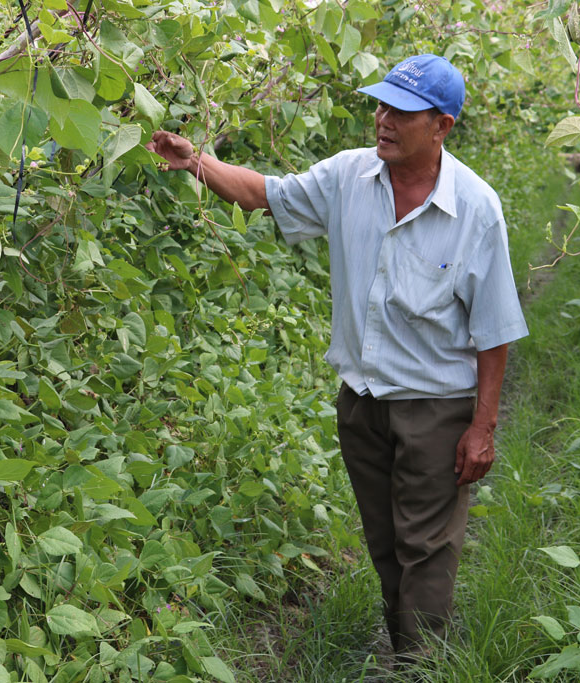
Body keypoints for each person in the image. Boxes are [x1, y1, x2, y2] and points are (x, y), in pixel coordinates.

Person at [147, 54, 528, 661]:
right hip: (364, 403)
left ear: (442, 126)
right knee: (385, 542)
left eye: (402, 112)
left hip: (436, 406)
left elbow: (495, 328)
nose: (383, 120)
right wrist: (196, 161)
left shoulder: (476, 209)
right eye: (381, 106)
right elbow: (265, 195)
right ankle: (408, 650)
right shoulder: (349, 178)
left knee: (426, 548)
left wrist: (482, 426)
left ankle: (419, 665)